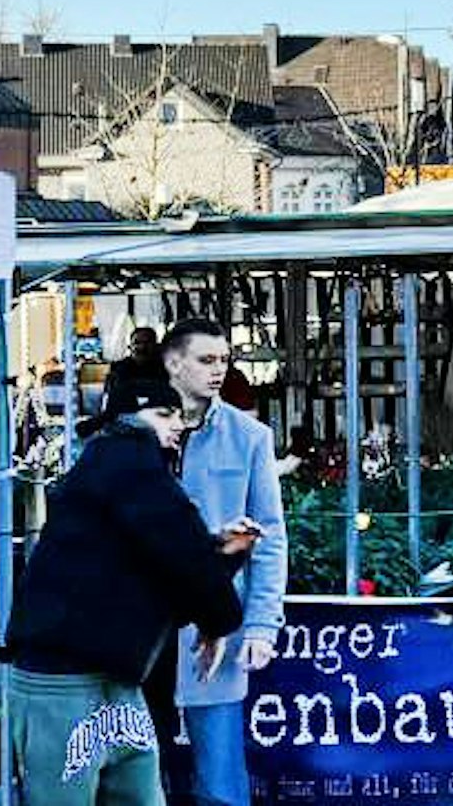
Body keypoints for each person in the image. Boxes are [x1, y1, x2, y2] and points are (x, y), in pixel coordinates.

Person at [0, 380, 261, 806]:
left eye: (178, 414)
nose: (177, 424)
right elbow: (179, 554)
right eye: (162, 413)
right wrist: (219, 614)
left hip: (93, 675)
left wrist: (217, 557)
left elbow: (155, 566)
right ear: (125, 420)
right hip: (69, 680)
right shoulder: (130, 459)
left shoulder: (116, 471)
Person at [157, 319, 288, 806]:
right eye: (207, 360)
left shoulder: (249, 436)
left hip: (214, 627)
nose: (219, 371)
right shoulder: (133, 432)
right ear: (174, 363)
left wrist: (260, 625)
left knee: (220, 784)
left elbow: (270, 536)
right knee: (135, 779)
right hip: (141, 633)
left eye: (224, 361)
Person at [101, 327, 167, 417]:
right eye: (137, 343)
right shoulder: (119, 368)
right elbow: (111, 401)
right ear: (130, 347)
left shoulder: (166, 368)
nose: (142, 347)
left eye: (147, 342)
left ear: (157, 346)